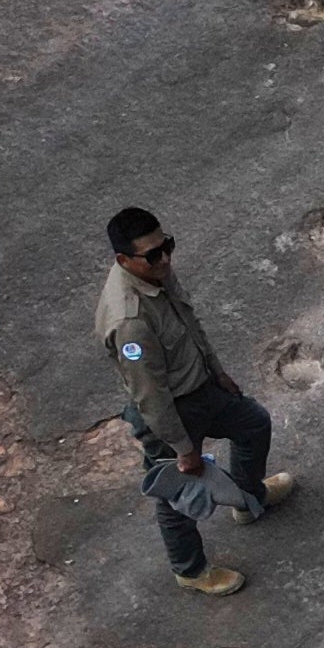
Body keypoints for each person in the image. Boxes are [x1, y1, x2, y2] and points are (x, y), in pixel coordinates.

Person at [95, 205, 295, 596]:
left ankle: (247, 498)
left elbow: (189, 323)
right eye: (153, 254)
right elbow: (149, 395)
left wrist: (218, 371)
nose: (165, 258)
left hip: (201, 387)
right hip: (170, 414)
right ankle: (190, 569)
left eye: (166, 245)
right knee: (177, 495)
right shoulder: (129, 321)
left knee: (253, 423)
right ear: (124, 260)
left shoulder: (156, 273)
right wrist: (182, 448)